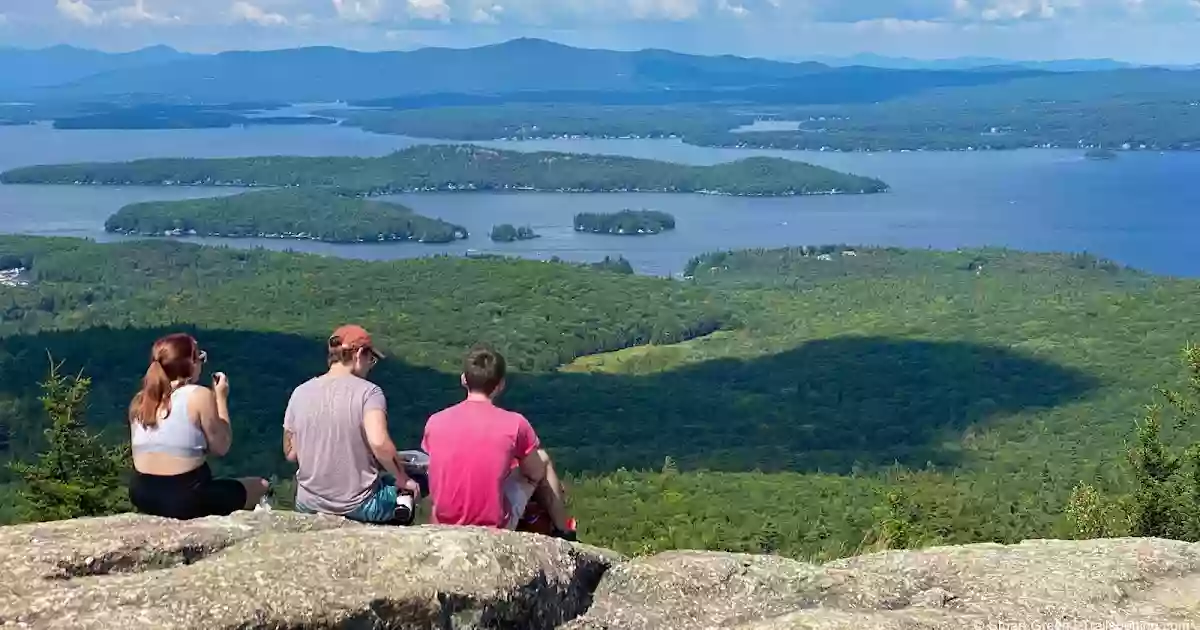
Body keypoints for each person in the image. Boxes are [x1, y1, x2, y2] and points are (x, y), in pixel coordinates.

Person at [422, 344, 577, 540]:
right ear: (501, 384)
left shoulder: (435, 421)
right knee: (542, 461)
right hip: (493, 527)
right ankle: (564, 531)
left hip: (442, 524)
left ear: (463, 379)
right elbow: (534, 473)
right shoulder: (516, 423)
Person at [283, 324, 421, 524]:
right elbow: (379, 442)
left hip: (308, 504)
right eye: (370, 359)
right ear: (358, 355)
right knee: (417, 483)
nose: (369, 366)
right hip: (359, 504)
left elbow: (290, 453)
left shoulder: (300, 392)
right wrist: (403, 478)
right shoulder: (369, 392)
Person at [128, 333, 270, 520]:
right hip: (186, 497)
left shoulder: (140, 401)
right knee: (261, 486)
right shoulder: (197, 395)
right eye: (200, 357)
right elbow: (221, 446)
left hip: (142, 493)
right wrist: (220, 397)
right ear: (191, 363)